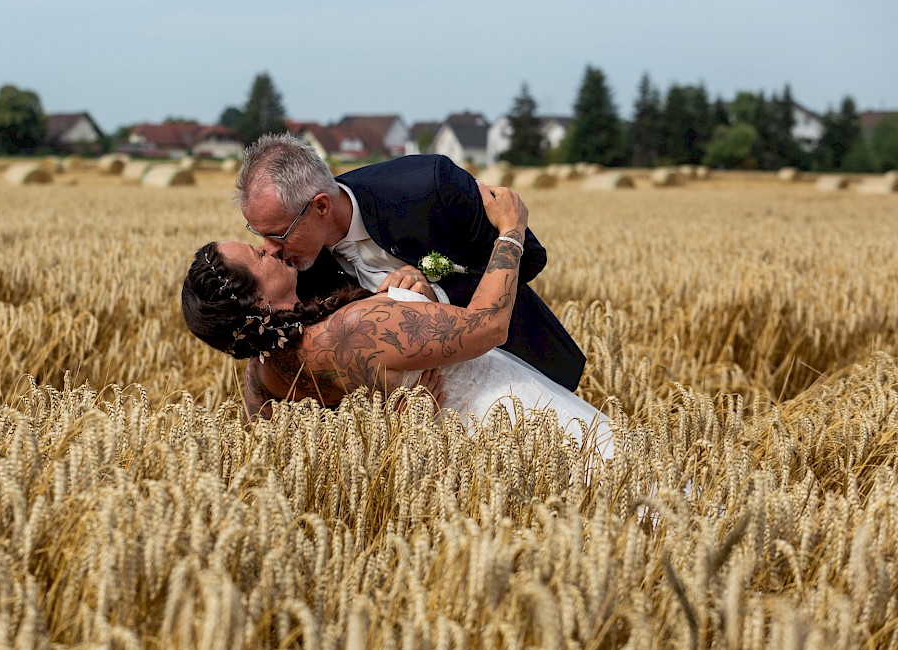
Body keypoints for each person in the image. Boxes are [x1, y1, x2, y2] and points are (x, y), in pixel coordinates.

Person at [182, 182, 614, 459]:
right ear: (257, 304)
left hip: (468, 455)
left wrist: (386, 425)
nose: (270, 249)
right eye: (258, 256)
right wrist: (511, 232)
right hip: (513, 418)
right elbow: (487, 326)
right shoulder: (356, 329)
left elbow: (279, 454)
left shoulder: (264, 373)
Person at [234, 132, 586, 392]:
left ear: (321, 207)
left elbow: (531, 258)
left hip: (524, 368)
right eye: (257, 233)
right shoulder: (297, 278)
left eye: (277, 233)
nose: (269, 249)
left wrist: (436, 292)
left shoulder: (428, 184)